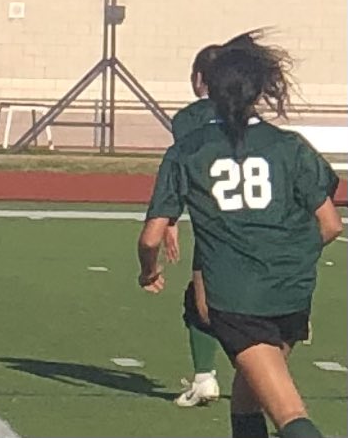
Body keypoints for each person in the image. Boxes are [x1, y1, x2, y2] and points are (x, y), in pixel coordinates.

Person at [137, 33, 343, 438]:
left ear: (208, 87)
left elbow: (150, 238)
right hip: (292, 291)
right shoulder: (290, 146)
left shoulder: (190, 148)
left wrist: (148, 271)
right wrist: (291, 254)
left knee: (289, 414)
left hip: (237, 296)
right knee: (248, 393)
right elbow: (331, 225)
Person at [165, 43, 225, 408]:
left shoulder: (188, 119)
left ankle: (205, 377)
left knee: (204, 305)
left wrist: (169, 216)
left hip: (216, 222)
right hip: (263, 222)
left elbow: (187, 169)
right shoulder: (254, 119)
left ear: (201, 78)